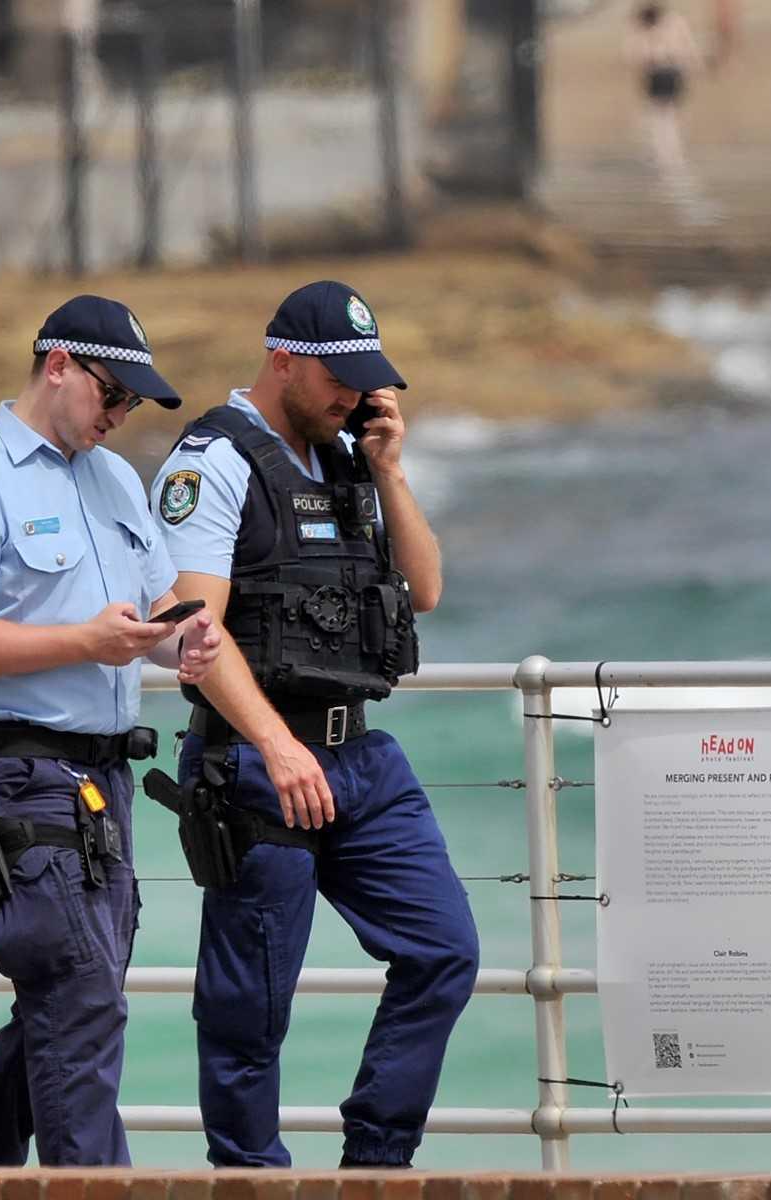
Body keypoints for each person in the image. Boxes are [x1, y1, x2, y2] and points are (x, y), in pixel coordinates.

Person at [150, 281, 479, 1168]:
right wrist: (274, 744)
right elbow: (194, 631)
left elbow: (426, 592)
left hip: (361, 755)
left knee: (444, 951)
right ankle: (253, 1179)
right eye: (341, 378)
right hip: (257, 763)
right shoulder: (211, 463)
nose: (353, 396)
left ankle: (375, 1165)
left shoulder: (349, 459)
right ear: (283, 358)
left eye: (367, 381)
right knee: (249, 1013)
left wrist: (388, 469)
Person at [0, 295, 222, 1166]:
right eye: (112, 397)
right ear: (58, 367)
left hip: (103, 790)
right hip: (16, 778)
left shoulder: (117, 481)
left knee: (69, 1005)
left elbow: (154, 613)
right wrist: (87, 641)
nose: (119, 419)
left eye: (131, 407)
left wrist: (185, 640)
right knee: (82, 1000)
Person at [625, 3, 704, 176]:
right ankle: (667, 155)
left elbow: (634, 53)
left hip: (667, 71)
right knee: (663, 116)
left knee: (664, 116)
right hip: (662, 71)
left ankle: (669, 155)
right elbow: (634, 52)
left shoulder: (669, 22)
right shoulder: (661, 22)